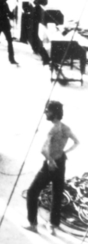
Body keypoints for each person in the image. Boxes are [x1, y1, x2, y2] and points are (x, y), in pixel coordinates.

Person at [25, 101, 79, 235]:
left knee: (32, 193)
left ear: (54, 113)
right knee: (57, 193)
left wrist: (50, 160)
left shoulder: (52, 129)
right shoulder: (66, 128)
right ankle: (53, 225)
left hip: (51, 165)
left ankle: (32, 224)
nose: (45, 113)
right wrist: (65, 152)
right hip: (61, 163)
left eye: (47, 111)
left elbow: (43, 150)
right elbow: (77, 142)